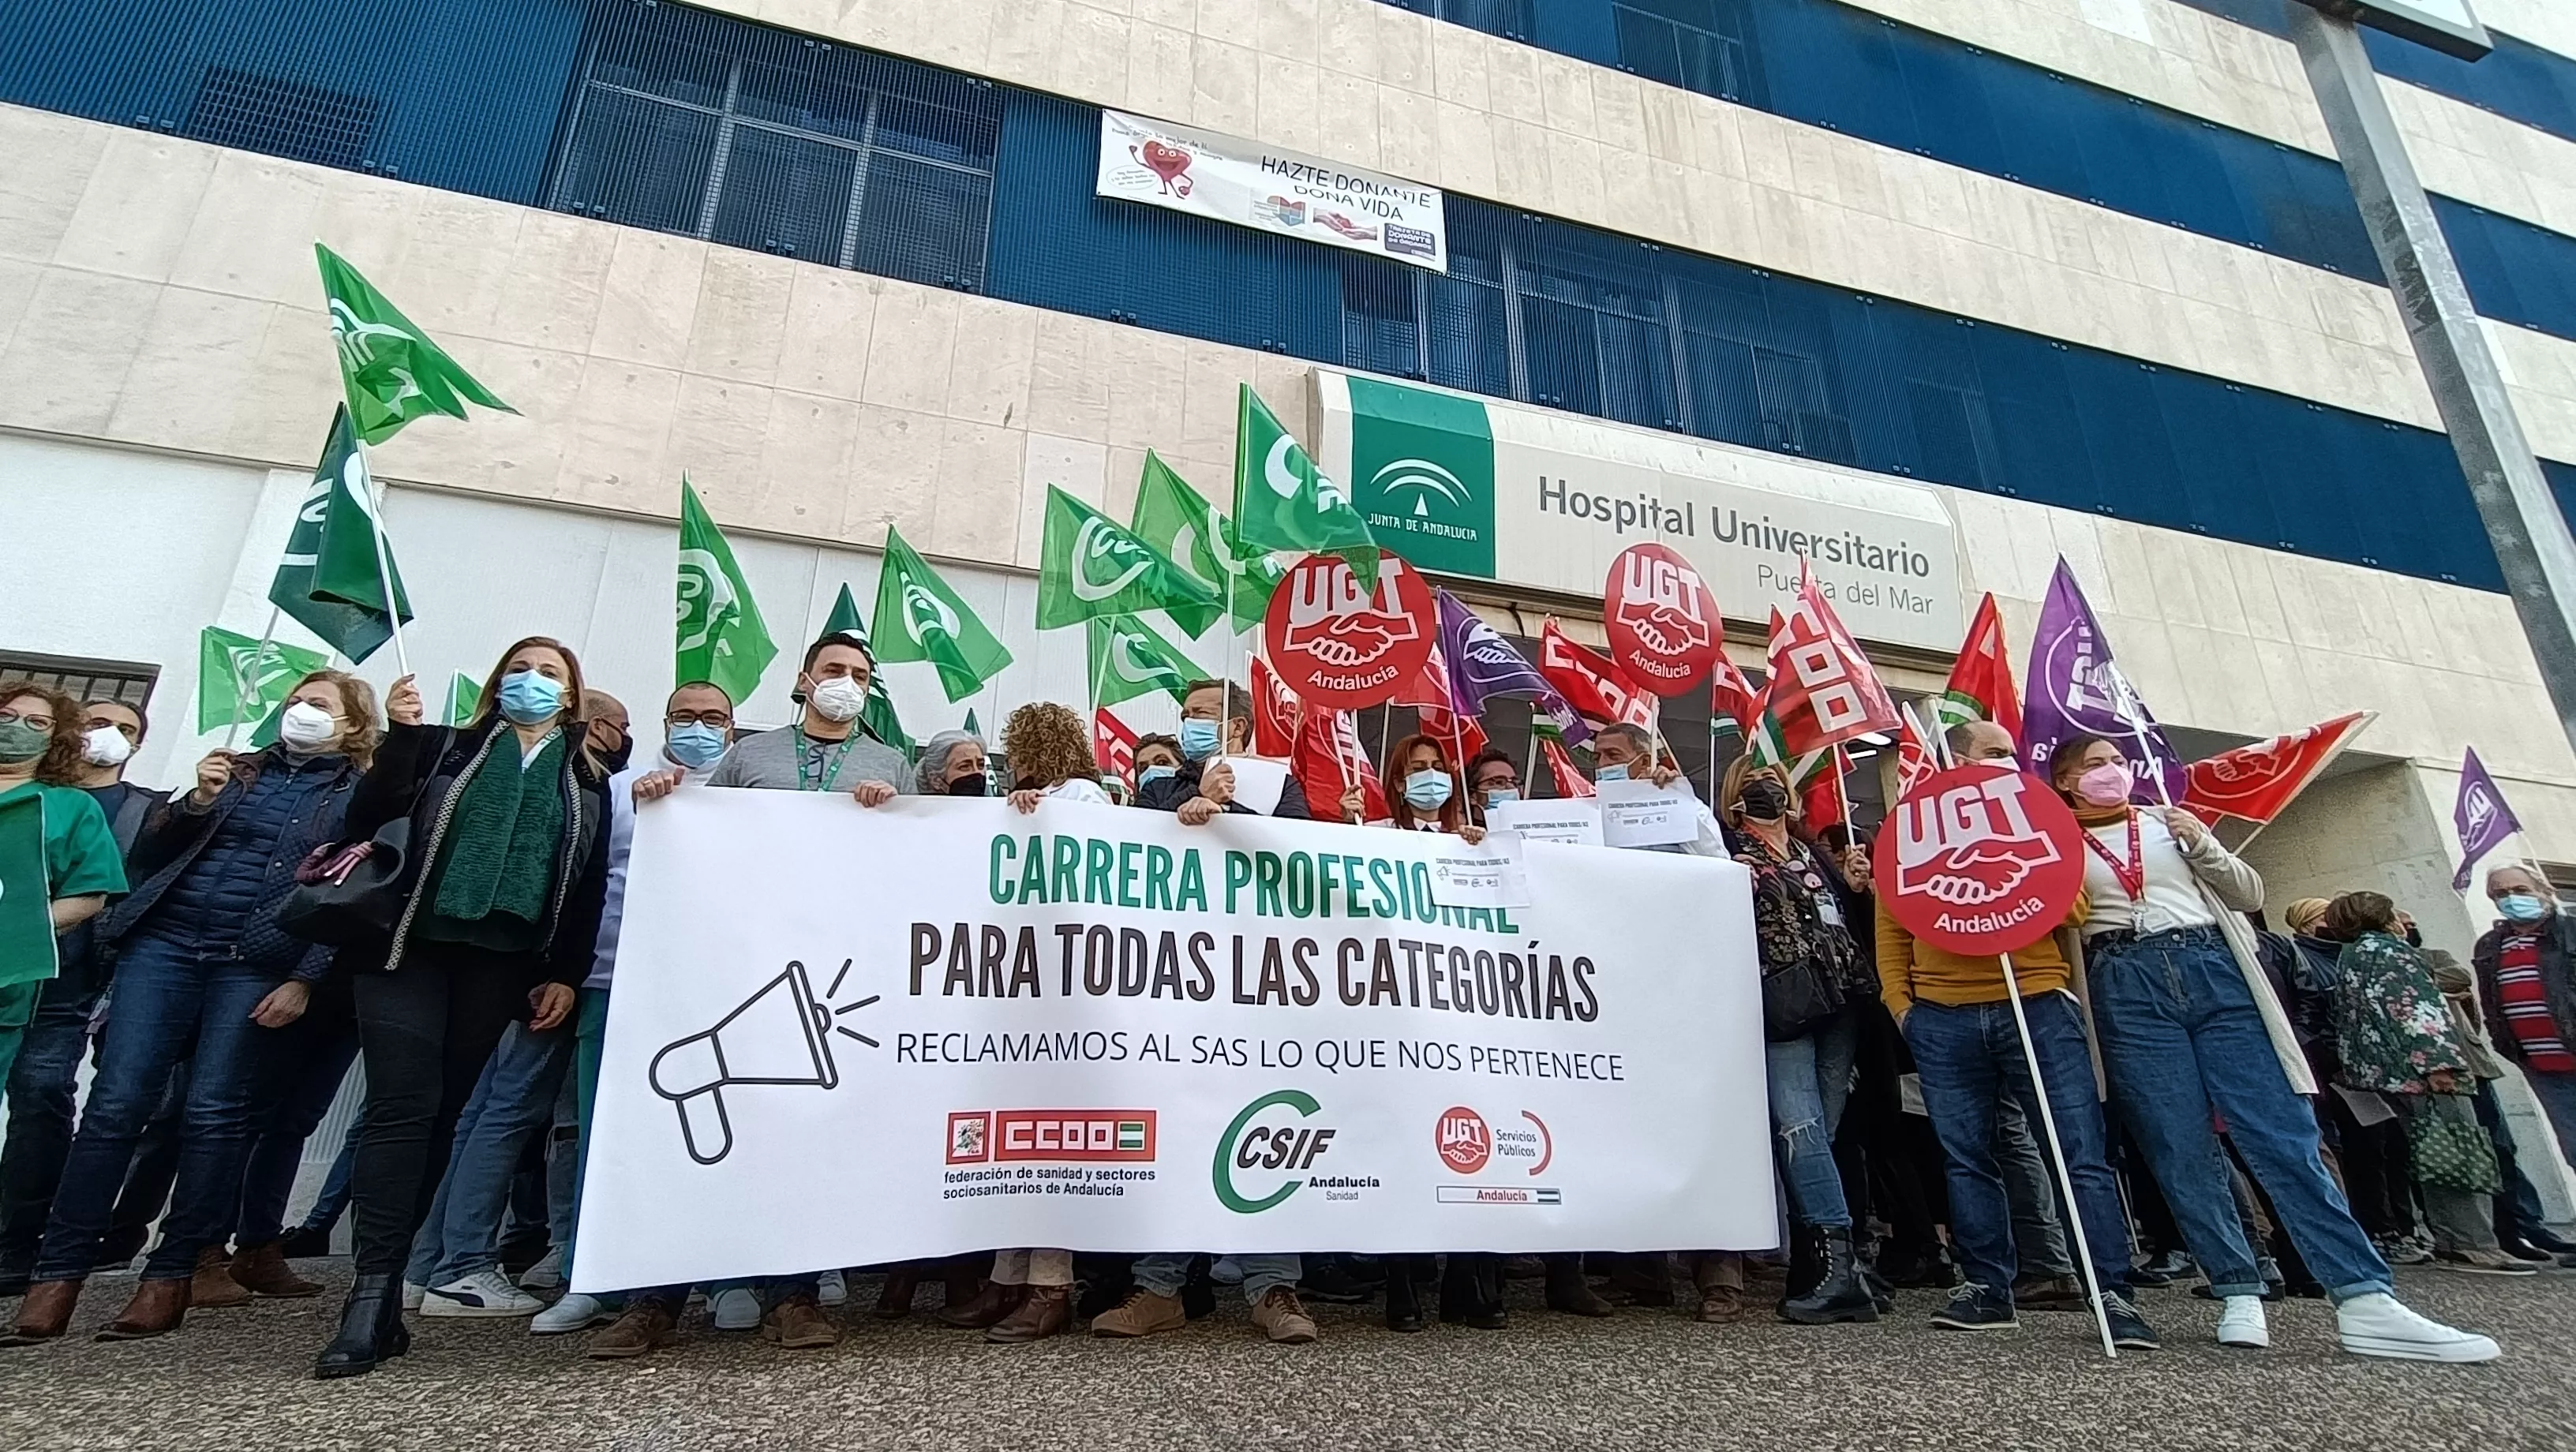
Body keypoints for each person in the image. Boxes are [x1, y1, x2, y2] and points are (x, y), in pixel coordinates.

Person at [2051, 735, 2497, 1361]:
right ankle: (2236, 1284)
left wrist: (2201, 843)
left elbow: (2249, 894)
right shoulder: (2053, 840)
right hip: (2122, 977)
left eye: (2118, 762)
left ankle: (2363, 1295)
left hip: (2210, 962)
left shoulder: (2168, 821)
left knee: (2280, 1131)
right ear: (2066, 780)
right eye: (2094, 765)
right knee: (2177, 1143)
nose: (2111, 773)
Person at [5, 672, 373, 1345]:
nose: (299, 712)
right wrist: (197, 802)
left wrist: (305, 979)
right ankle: (56, 1276)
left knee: (214, 1113)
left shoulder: (357, 795)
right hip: (164, 947)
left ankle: (170, 1275)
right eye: (293, 701)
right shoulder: (238, 769)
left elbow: (346, 898)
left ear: (352, 725)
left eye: (318, 706)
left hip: (256, 960)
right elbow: (150, 853)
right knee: (115, 1106)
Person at [313, 641, 612, 1378]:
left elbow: (583, 891)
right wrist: (402, 737)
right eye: (521, 667)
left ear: (572, 694)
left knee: (446, 1114)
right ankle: (370, 1293)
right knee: (400, 1107)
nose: (533, 681)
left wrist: (564, 974)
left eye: (550, 672)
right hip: (409, 949)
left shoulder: (588, 781)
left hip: (501, 963)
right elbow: (368, 814)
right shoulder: (445, 748)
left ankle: (388, 1298)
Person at [651, 634, 912, 1352]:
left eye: (860, 675)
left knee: (800, 1129)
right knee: (688, 1138)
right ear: (804, 680)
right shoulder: (751, 754)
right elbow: (700, 835)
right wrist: (661, 805)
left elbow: (912, 863)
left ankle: (795, 1295)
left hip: (826, 965)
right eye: (834, 671)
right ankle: (657, 1296)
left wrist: (890, 813)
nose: (846, 683)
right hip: (738, 953)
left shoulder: (890, 763)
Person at [1876, 718, 2148, 1342]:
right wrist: (1902, 1006)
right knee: (1967, 1159)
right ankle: (1987, 1287)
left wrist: (2022, 874)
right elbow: (1893, 925)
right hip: (1943, 1017)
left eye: (2011, 754)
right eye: (1995, 753)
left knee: (2078, 1154)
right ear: (1957, 761)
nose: (2008, 762)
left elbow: (2074, 906)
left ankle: (2112, 1293)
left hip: (2037, 1005)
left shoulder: (2038, 817)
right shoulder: (1912, 831)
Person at [556, 681, 737, 1353]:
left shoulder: (752, 792)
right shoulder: (620, 789)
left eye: (713, 718)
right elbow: (582, 881)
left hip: (721, 988)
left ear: (732, 726)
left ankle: (726, 1278)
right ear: (664, 723)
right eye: (686, 717)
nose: (699, 727)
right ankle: (597, 1277)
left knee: (723, 1130)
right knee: (609, 1132)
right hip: (618, 982)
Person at [0, 698, 163, 1295]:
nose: (19, 729)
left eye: (127, 729)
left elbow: (102, 894)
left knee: (41, 1100)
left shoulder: (110, 810)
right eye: (100, 723)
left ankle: (17, 1242)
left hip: (59, 984)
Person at [1714, 753, 1878, 1327]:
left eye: (1773, 782)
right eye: (1752, 782)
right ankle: (1838, 1271)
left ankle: (1829, 1268)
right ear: (1735, 796)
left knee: (1822, 1135)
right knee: (1800, 1130)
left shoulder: (1811, 850)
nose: (1765, 789)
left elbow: (1841, 916)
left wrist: (1855, 886)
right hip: (1783, 1004)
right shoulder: (1728, 848)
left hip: (1842, 1000)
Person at [2316, 893, 2523, 1277]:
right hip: (2426, 1073)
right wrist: (2439, 1065)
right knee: (2457, 1149)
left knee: (2428, 1151)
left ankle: (2452, 1237)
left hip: (2385, 1072)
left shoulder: (2351, 955)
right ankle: (2470, 1243)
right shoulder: (2393, 953)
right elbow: (2416, 1011)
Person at [0, 683, 124, 1092]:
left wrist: (22, 931)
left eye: (37, 722)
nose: (18, 727)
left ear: (56, 738)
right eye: (6, 716)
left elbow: (91, 894)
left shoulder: (71, 807)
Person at [2472, 865, 2576, 1173]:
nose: (2511, 898)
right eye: (2501, 893)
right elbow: (2490, 1002)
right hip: (2542, 1068)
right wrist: (2504, 1043)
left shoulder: (2571, 930)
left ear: (2544, 890)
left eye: (2521, 890)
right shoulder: (2490, 946)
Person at [1134, 680, 1312, 824]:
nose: (1189, 722)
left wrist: (1225, 813)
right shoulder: (1157, 787)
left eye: (1200, 713)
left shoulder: (1280, 784)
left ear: (1237, 727)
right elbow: (1134, 832)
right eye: (1185, 716)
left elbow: (1295, 845)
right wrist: (1198, 793)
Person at [1464, 748, 1521, 825]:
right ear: (1473, 796)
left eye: (1514, 783)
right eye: (1498, 782)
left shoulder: (1530, 831)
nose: (1511, 788)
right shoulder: (1456, 834)